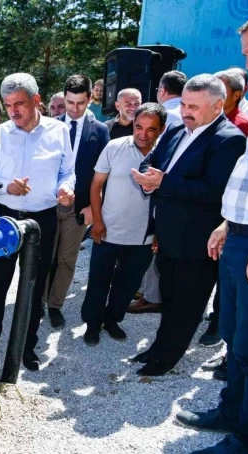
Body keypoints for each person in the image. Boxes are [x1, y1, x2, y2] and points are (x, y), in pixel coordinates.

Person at [175, 16, 248, 454]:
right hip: (240, 236)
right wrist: (229, 223)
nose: (247, 60)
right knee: (235, 337)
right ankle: (231, 413)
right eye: (247, 51)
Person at [129, 74, 246, 376]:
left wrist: (164, 182)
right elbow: (151, 160)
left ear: (218, 105)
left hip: (197, 242)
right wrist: (146, 178)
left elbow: (215, 191)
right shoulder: (177, 129)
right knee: (169, 299)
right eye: (183, 104)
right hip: (167, 236)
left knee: (186, 305)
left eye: (193, 106)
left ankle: (165, 360)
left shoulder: (229, 140)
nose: (185, 112)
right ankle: (158, 349)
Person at [0, 73, 75, 371]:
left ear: (36, 100)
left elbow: (67, 171)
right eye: (8, 105)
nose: (13, 111)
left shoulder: (59, 131)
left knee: (33, 285)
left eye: (19, 103)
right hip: (3, 217)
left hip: (42, 220)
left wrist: (67, 188)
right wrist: (7, 186)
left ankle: (26, 347)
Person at [81, 103, 166, 345]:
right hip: (108, 231)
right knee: (99, 280)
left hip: (144, 236)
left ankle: (112, 319)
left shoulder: (165, 153)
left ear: (161, 129)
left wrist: (159, 232)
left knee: (128, 284)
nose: (143, 134)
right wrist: (97, 221)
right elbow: (96, 186)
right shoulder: (115, 147)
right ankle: (93, 324)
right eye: (139, 126)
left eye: (151, 129)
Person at [45, 75, 110, 329]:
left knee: (67, 258)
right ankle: (37, 302)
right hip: (50, 204)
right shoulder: (51, 126)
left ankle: (54, 305)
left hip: (80, 207)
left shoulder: (101, 131)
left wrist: (94, 208)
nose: (74, 109)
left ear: (90, 99)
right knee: (45, 256)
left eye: (80, 103)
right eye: (69, 102)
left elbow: (103, 174)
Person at [130, 71, 188, 317]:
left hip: (164, 196)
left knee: (155, 246)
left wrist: (151, 180)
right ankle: (147, 291)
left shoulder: (170, 119)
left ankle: (152, 296)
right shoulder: (181, 121)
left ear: (162, 90)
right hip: (167, 194)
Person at [215, 69, 248, 137]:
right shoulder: (205, 118)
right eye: (213, 90)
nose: (214, 95)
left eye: (221, 90)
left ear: (236, 95)